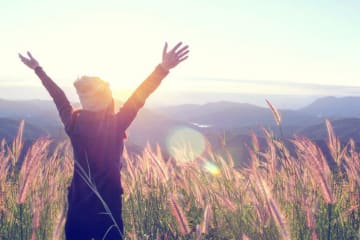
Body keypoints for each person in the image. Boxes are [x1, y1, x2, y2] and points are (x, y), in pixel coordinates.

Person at [19, 42, 189, 240]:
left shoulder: (73, 123)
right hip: (109, 208)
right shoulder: (116, 125)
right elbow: (139, 97)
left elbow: (59, 97)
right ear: (107, 99)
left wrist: (38, 69)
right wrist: (162, 69)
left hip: (78, 207)